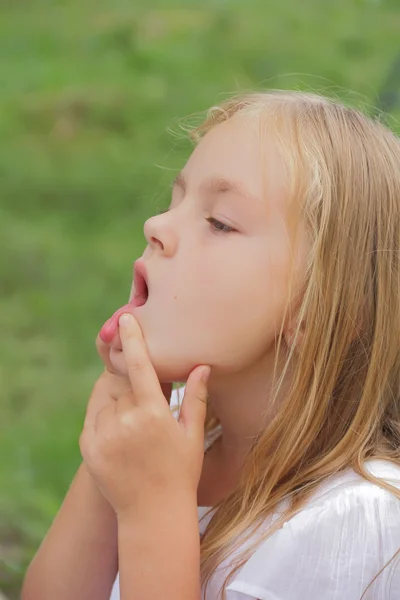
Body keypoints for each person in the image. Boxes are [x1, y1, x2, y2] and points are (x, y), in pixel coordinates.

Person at [21, 90, 400, 600]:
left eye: (220, 222)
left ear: (319, 309)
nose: (155, 227)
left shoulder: (358, 522)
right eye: (174, 202)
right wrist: (118, 428)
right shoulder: (172, 436)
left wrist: (154, 506)